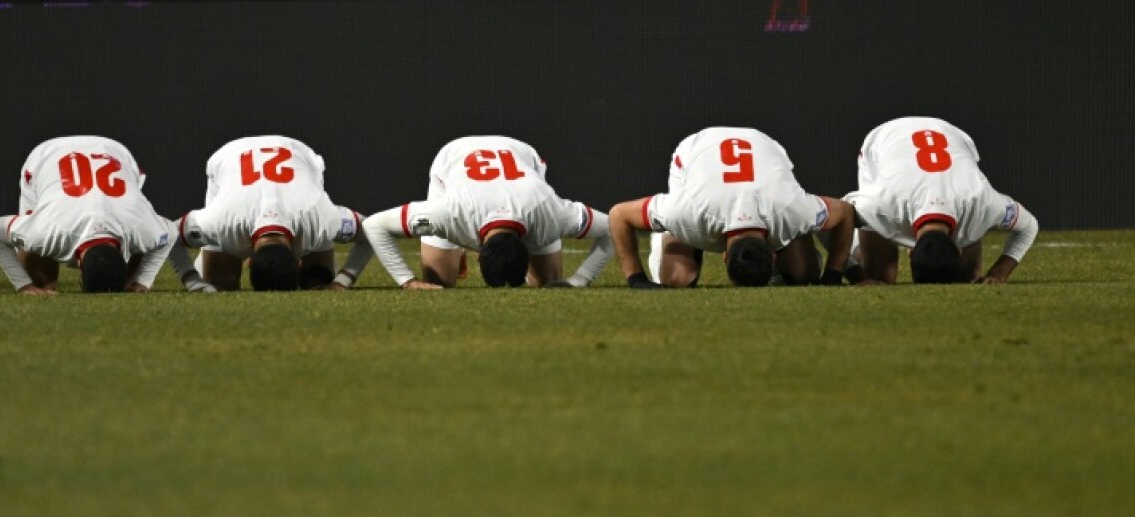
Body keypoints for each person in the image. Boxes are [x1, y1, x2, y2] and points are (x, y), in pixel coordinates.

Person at [609, 126, 855, 289]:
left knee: (803, 276)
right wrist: (637, 280)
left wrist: (832, 275)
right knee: (677, 281)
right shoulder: (688, 212)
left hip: (764, 147)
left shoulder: (790, 209)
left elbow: (844, 211)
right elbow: (619, 215)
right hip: (695, 150)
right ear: (772, 254)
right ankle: (663, 234)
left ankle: (794, 252)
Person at [361, 135, 614, 289]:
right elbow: (374, 225)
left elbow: (615, 228)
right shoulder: (448, 212)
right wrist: (408, 281)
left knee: (547, 283)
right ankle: (455, 250)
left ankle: (458, 247)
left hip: (523, 158)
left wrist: (581, 279)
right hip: (454, 157)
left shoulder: (551, 213)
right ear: (478, 256)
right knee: (439, 283)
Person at [845, 117, 1039, 284]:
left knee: (968, 277)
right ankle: (857, 243)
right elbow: (834, 217)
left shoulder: (981, 201)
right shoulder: (881, 205)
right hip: (884, 139)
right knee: (879, 277)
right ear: (910, 251)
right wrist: (856, 275)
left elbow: (1029, 226)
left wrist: (998, 274)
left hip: (953, 136)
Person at [169, 135, 372, 291]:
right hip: (229, 159)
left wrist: (342, 281)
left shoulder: (319, 217)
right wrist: (194, 282)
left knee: (316, 281)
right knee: (222, 284)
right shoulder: (220, 221)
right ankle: (209, 253)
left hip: (298, 156)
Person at [0, 136, 179, 295]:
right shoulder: (48, 231)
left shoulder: (140, 229)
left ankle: (130, 281)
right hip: (46, 158)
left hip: (114, 152)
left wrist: (141, 282)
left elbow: (170, 231)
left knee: (135, 269)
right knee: (42, 287)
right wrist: (25, 286)